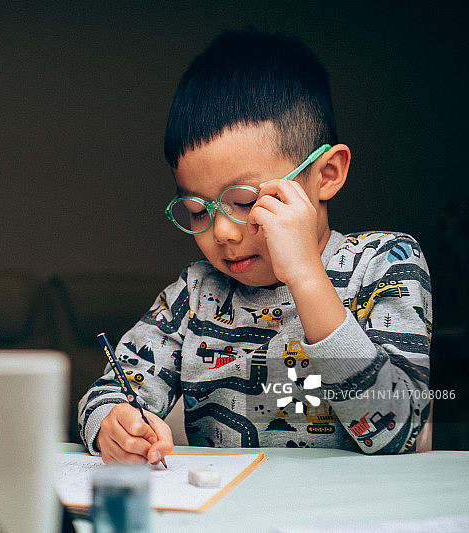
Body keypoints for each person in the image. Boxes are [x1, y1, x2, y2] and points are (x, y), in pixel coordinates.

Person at [78, 29, 431, 464]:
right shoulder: (195, 293)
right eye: (197, 210)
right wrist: (113, 422)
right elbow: (113, 388)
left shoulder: (383, 265)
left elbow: (399, 432)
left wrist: (304, 275)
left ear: (326, 174)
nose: (222, 232)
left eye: (245, 201)